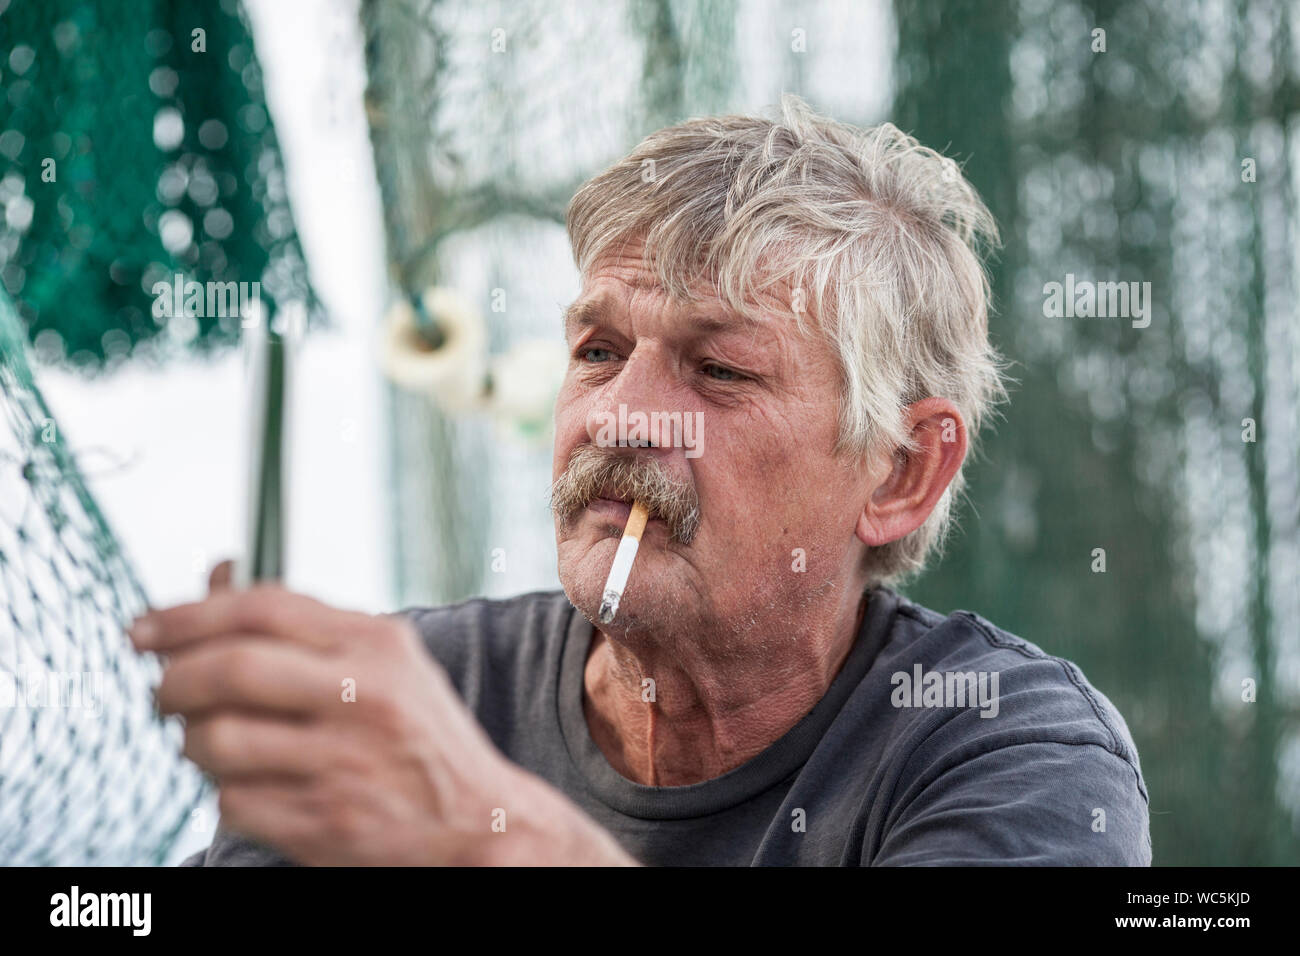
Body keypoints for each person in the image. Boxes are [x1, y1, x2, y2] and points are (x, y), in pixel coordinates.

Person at [139, 95, 1151, 866]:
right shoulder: (421, 691)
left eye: (719, 370)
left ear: (901, 470)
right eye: (596, 350)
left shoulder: (1002, 744)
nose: (619, 415)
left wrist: (480, 829)